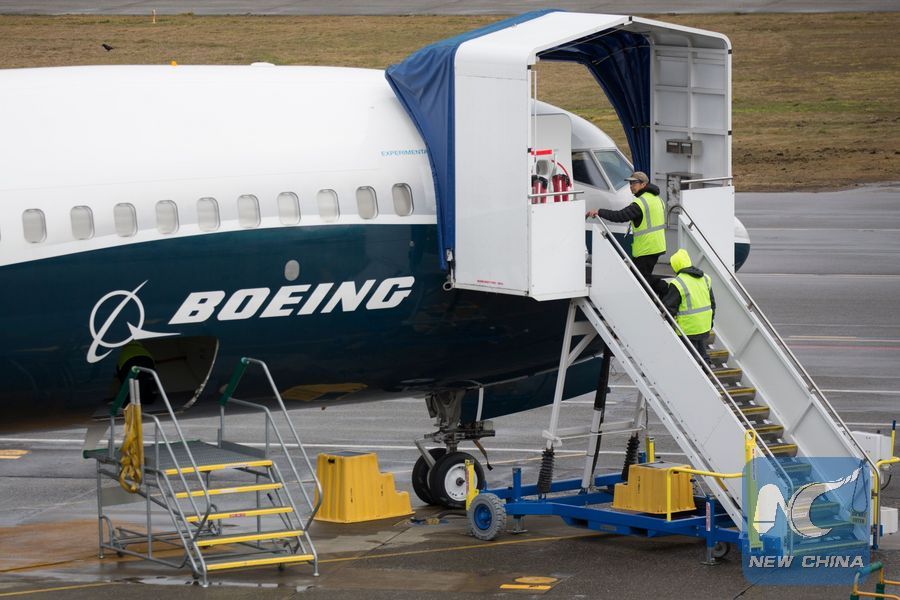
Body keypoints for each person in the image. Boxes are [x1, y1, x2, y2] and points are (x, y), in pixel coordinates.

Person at [586, 171, 667, 291]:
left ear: (643, 184)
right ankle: (659, 293)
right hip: (656, 245)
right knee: (641, 278)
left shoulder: (640, 203)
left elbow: (620, 216)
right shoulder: (658, 199)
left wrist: (599, 212)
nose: (631, 186)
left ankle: (666, 288)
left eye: (634, 183)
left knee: (639, 280)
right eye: (630, 183)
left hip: (646, 248)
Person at [661, 249, 716, 364]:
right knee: (701, 348)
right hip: (704, 325)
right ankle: (706, 364)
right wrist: (710, 321)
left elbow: (669, 308)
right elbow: (712, 303)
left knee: (690, 358)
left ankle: (700, 367)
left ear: (676, 265)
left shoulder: (678, 283)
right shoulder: (705, 278)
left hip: (687, 328)